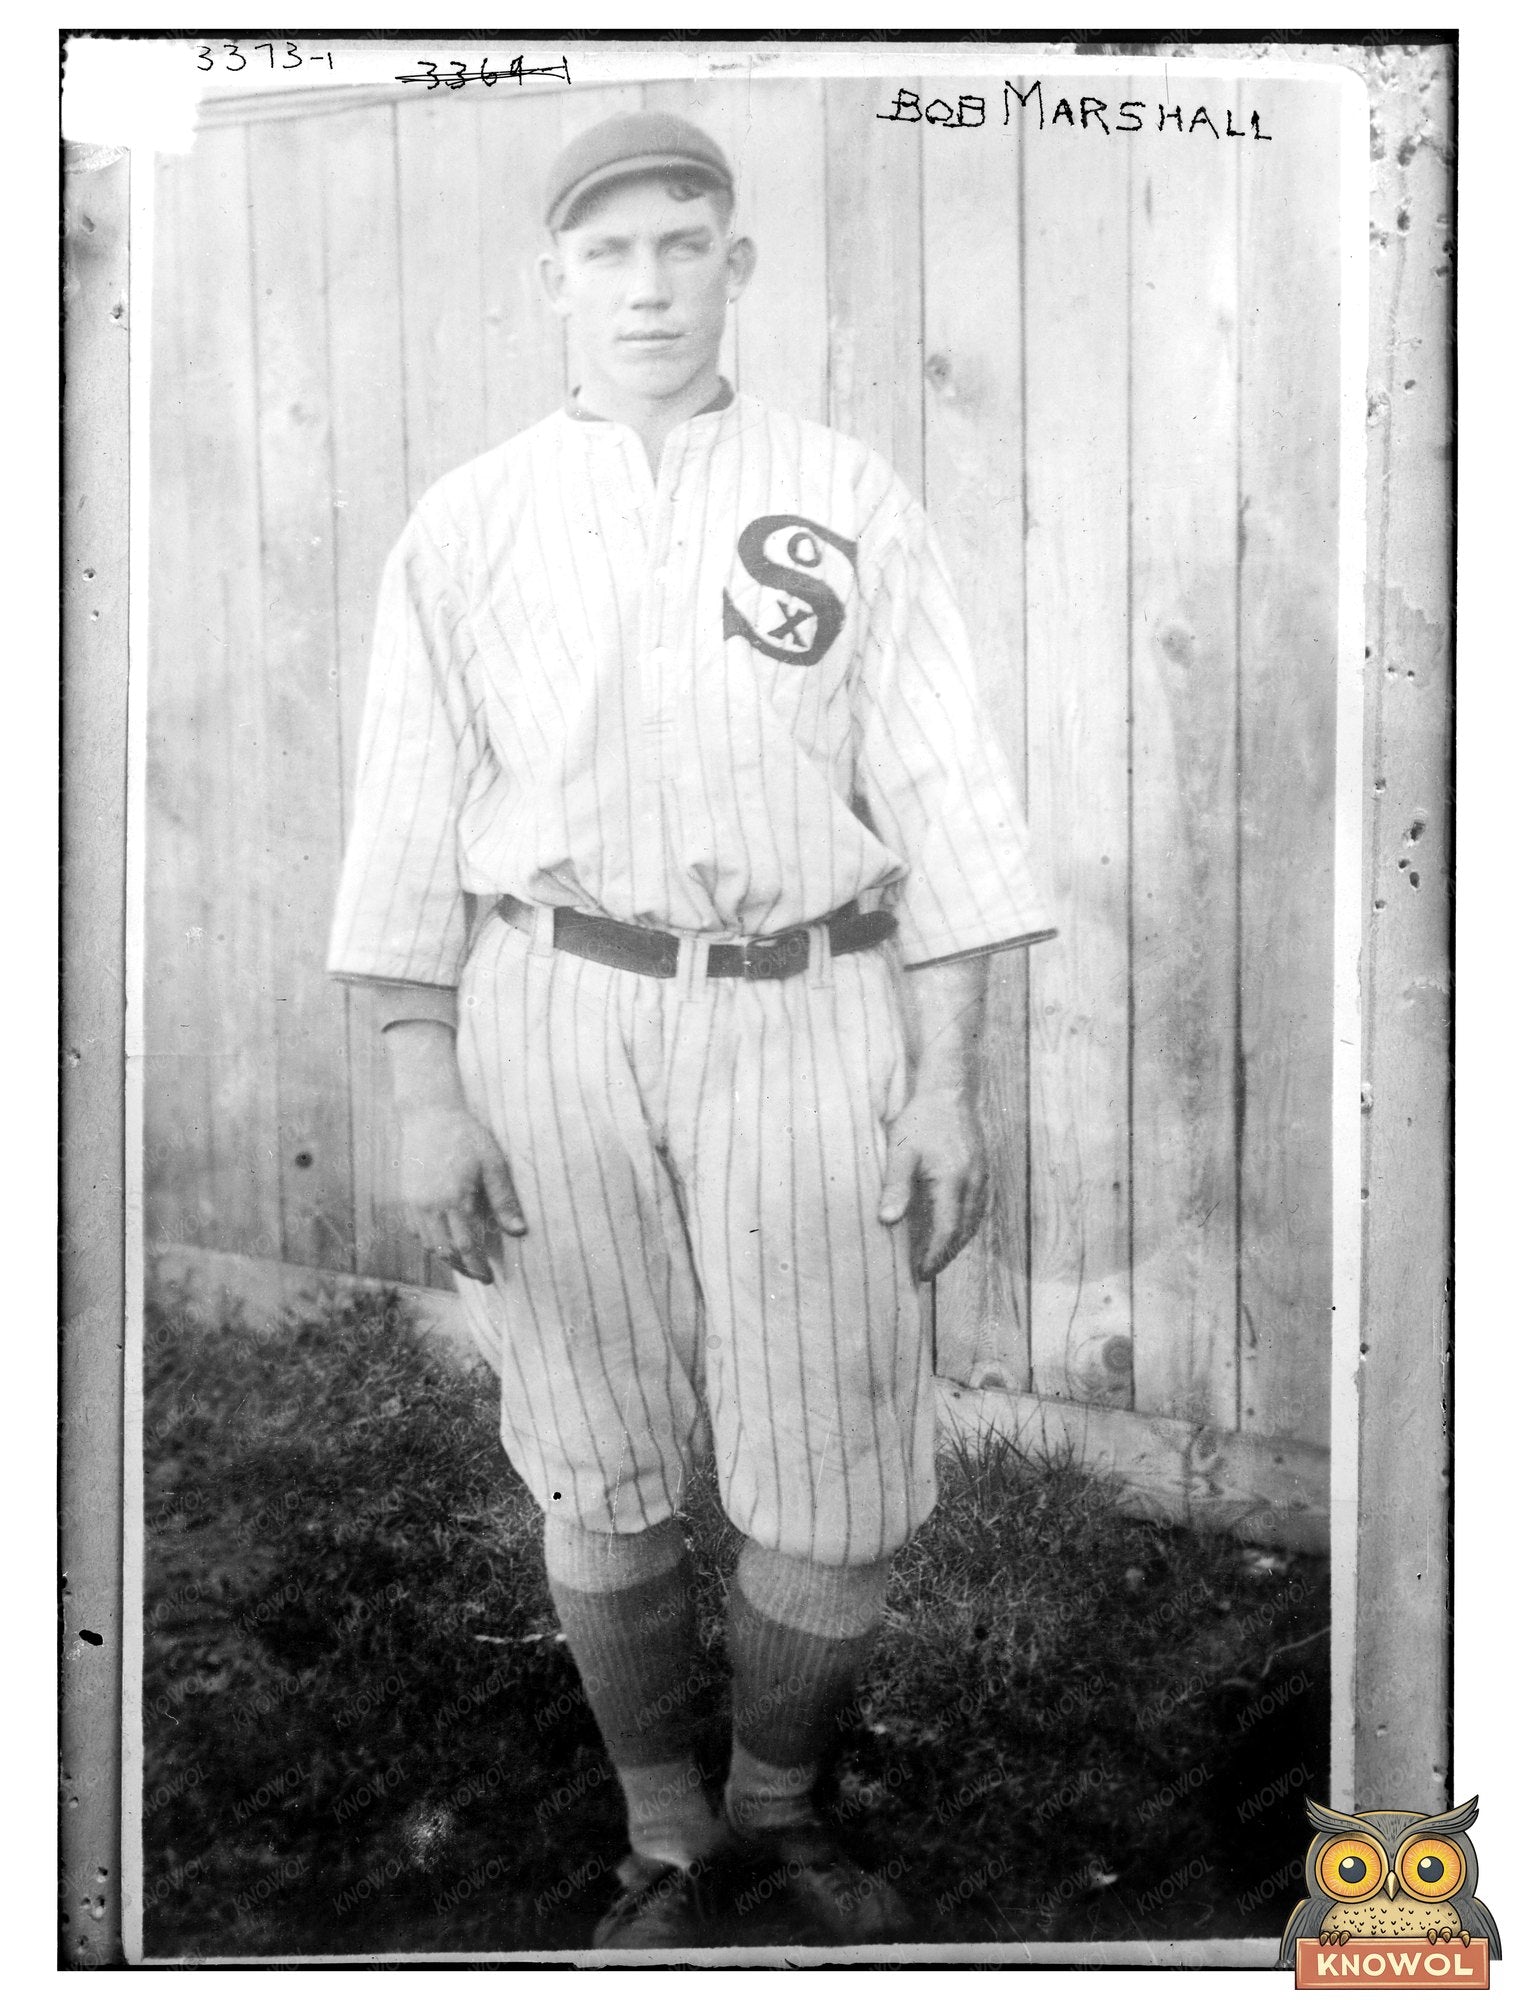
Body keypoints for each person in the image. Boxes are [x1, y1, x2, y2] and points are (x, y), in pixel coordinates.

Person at [327, 109, 1055, 1949]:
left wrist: (945, 1083)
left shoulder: (844, 490)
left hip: (811, 1004)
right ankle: (664, 1836)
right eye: (607, 253)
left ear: (735, 268)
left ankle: (778, 1814)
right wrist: (426, 1089)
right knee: (591, 1436)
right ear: (550, 283)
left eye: (681, 247)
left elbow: (945, 800)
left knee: (828, 1447)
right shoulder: (469, 520)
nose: (644, 286)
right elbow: (410, 831)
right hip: (552, 1006)